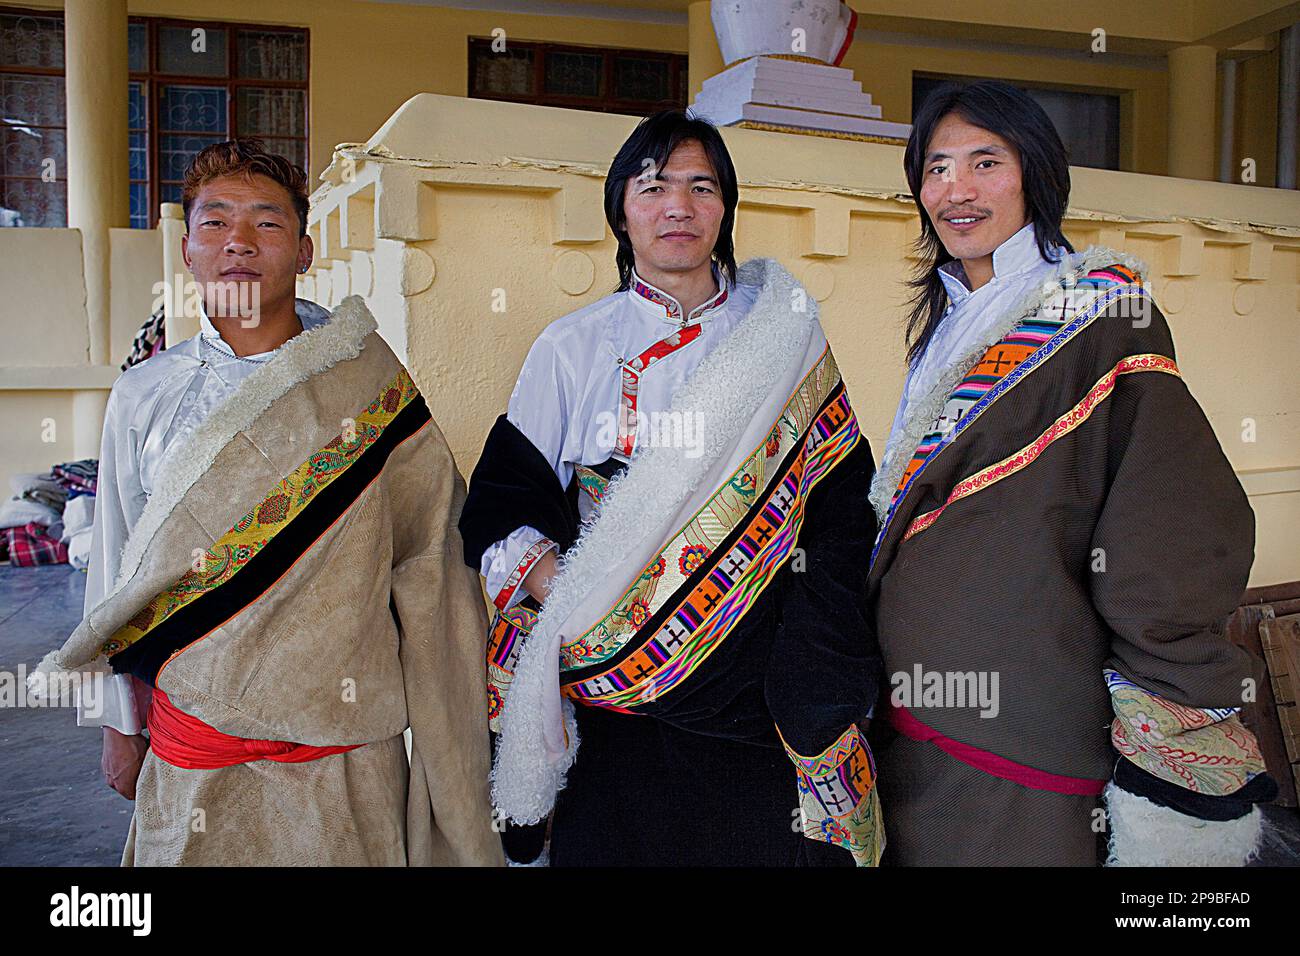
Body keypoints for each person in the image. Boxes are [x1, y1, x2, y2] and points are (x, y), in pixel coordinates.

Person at [31, 139, 502, 867]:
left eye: (267, 223)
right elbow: (122, 575)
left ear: (306, 250)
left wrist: (453, 748)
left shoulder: (372, 390)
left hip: (344, 753)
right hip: (193, 744)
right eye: (215, 223)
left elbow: (432, 567)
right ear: (188, 251)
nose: (239, 243)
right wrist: (119, 724)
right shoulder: (145, 394)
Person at [458, 110, 883, 866]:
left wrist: (804, 666)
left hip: (751, 698)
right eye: (653, 187)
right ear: (621, 208)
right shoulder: (571, 347)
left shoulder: (784, 338)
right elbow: (500, 503)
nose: (677, 207)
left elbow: (842, 511)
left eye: (700, 186)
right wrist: (573, 589)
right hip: (610, 691)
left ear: (725, 208)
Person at [868, 80, 1276, 866]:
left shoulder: (1102, 314)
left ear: (1036, 174)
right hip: (915, 708)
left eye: (985, 162)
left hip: (1027, 713)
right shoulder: (948, 321)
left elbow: (1168, 514)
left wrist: (1174, 681)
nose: (956, 189)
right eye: (937, 167)